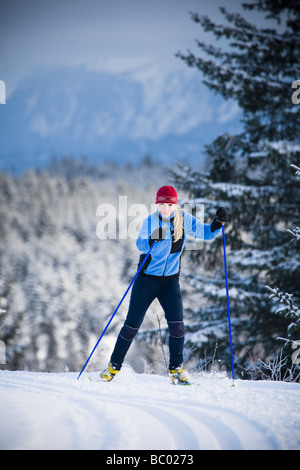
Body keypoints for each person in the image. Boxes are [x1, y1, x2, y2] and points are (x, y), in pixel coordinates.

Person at [100, 185, 227, 384]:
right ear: (157, 203)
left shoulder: (183, 219)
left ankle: (176, 369)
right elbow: (140, 244)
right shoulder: (150, 221)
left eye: (169, 204)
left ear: (174, 204)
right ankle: (113, 367)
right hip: (146, 281)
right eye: (161, 204)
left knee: (177, 327)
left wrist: (217, 222)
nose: (165, 208)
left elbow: (206, 233)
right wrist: (152, 238)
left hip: (170, 282)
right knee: (131, 326)